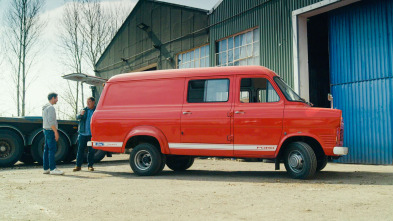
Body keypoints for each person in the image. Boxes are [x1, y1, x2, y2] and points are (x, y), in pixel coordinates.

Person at [42, 92, 64, 175]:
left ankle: (46, 168)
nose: (57, 100)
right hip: (50, 130)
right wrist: (56, 132)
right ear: (53, 98)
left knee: (46, 150)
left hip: (46, 130)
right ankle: (53, 169)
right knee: (52, 150)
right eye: (56, 98)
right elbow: (51, 121)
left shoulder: (45, 107)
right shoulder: (51, 108)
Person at [73, 97, 96, 172]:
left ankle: (90, 166)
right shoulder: (84, 110)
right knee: (80, 150)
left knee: (91, 151)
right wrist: (80, 114)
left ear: (93, 102)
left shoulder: (96, 110)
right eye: (87, 102)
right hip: (82, 134)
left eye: (89, 102)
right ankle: (78, 166)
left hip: (91, 134)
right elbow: (77, 117)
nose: (88, 103)